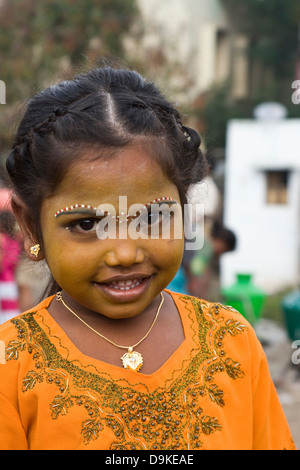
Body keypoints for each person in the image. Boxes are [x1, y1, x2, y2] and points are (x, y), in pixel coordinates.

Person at [0, 65, 295, 450]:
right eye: (87, 223)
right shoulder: (11, 365)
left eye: (154, 217)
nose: (125, 253)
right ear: (31, 224)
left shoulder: (233, 341)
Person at [0, 210, 21, 324]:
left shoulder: (2, 240)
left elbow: (2, 266)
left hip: (4, 281)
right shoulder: (15, 243)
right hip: (10, 281)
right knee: (9, 315)